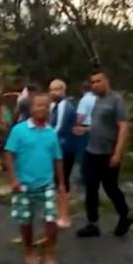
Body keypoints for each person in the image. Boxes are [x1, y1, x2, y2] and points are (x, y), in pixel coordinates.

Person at [4, 94, 66, 264]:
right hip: (23, 183)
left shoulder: (51, 133)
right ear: (31, 108)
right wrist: (13, 179)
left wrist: (61, 184)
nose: (41, 109)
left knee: (51, 220)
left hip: (46, 183)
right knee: (26, 220)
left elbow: (58, 159)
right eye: (38, 105)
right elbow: (9, 155)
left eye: (45, 106)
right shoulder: (19, 130)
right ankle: (29, 250)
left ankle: (49, 253)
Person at [74, 70, 132, 238]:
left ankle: (125, 215)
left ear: (107, 81)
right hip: (92, 150)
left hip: (108, 153)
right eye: (92, 82)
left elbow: (123, 127)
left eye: (98, 81)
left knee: (110, 187)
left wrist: (117, 153)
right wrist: (84, 129)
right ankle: (92, 223)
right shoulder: (97, 100)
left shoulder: (116, 100)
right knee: (90, 187)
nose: (94, 85)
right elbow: (100, 125)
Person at [48, 79, 77, 228]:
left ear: (63, 91)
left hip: (65, 149)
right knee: (56, 181)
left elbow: (58, 128)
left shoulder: (65, 105)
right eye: (51, 89)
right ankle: (57, 212)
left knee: (62, 181)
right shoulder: (54, 105)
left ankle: (64, 216)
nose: (53, 92)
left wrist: (44, 138)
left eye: (57, 89)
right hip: (57, 149)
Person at [74, 81, 96, 184]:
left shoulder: (84, 100)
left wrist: (76, 125)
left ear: (82, 90)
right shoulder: (98, 99)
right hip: (97, 128)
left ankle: (84, 177)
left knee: (83, 153)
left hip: (85, 127)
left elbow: (80, 116)